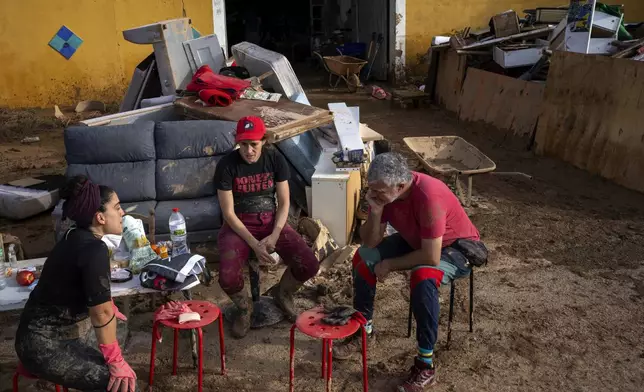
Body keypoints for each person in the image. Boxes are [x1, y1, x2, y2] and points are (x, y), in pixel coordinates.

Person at [333, 152, 487, 392]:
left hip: (455, 247)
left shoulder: (428, 195)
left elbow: (430, 256)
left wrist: (390, 265)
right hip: (417, 239)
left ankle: (426, 365)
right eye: (370, 189)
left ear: (401, 186)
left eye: (379, 191)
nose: (373, 195)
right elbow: (370, 243)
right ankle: (365, 329)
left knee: (423, 276)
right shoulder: (384, 193)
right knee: (363, 258)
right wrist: (375, 212)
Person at [15, 176, 137, 392]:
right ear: (100, 217)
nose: (123, 213)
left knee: (119, 327)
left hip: (46, 331)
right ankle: (37, 366)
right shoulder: (93, 250)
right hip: (44, 344)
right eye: (117, 208)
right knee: (122, 386)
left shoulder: (73, 235)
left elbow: (93, 293)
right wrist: (116, 361)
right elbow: (101, 313)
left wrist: (108, 308)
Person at [214, 116, 319, 338]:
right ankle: (245, 308)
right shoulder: (226, 165)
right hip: (239, 224)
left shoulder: (275, 159)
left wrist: (274, 236)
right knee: (227, 276)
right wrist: (254, 244)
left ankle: (283, 293)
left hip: (271, 220)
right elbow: (228, 213)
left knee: (309, 265)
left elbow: (284, 203)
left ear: (264, 140)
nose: (249, 150)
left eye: (254, 144)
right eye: (244, 144)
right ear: (237, 142)